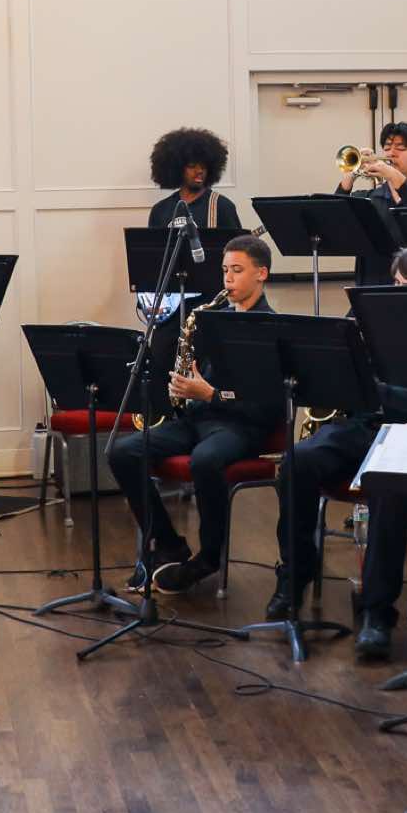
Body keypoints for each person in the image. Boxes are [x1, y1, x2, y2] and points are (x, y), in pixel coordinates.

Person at [267, 240, 407, 631]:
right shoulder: (377, 321)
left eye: (402, 285)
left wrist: (375, 391)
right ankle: (295, 574)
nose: (392, 292)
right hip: (365, 427)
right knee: (297, 462)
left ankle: (377, 610)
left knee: (386, 484)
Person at [107, 235, 279, 597]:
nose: (227, 278)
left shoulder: (271, 328)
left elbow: (267, 405)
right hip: (200, 418)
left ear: (261, 274)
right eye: (225, 270)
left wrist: (211, 394)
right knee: (122, 451)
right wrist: (186, 389)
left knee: (205, 460)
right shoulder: (213, 319)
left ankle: (209, 556)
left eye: (237, 270)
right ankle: (168, 543)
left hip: (243, 425)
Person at [334, 121, 407, 283]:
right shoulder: (366, 199)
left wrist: (393, 176)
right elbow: (335, 221)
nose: (391, 153)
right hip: (371, 287)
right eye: (387, 147)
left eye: (400, 148)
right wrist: (350, 175)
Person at [149, 127, 242, 231]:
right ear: (177, 168)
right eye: (192, 166)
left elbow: (237, 241)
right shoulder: (160, 210)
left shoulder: (222, 207)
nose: (199, 171)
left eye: (203, 167)